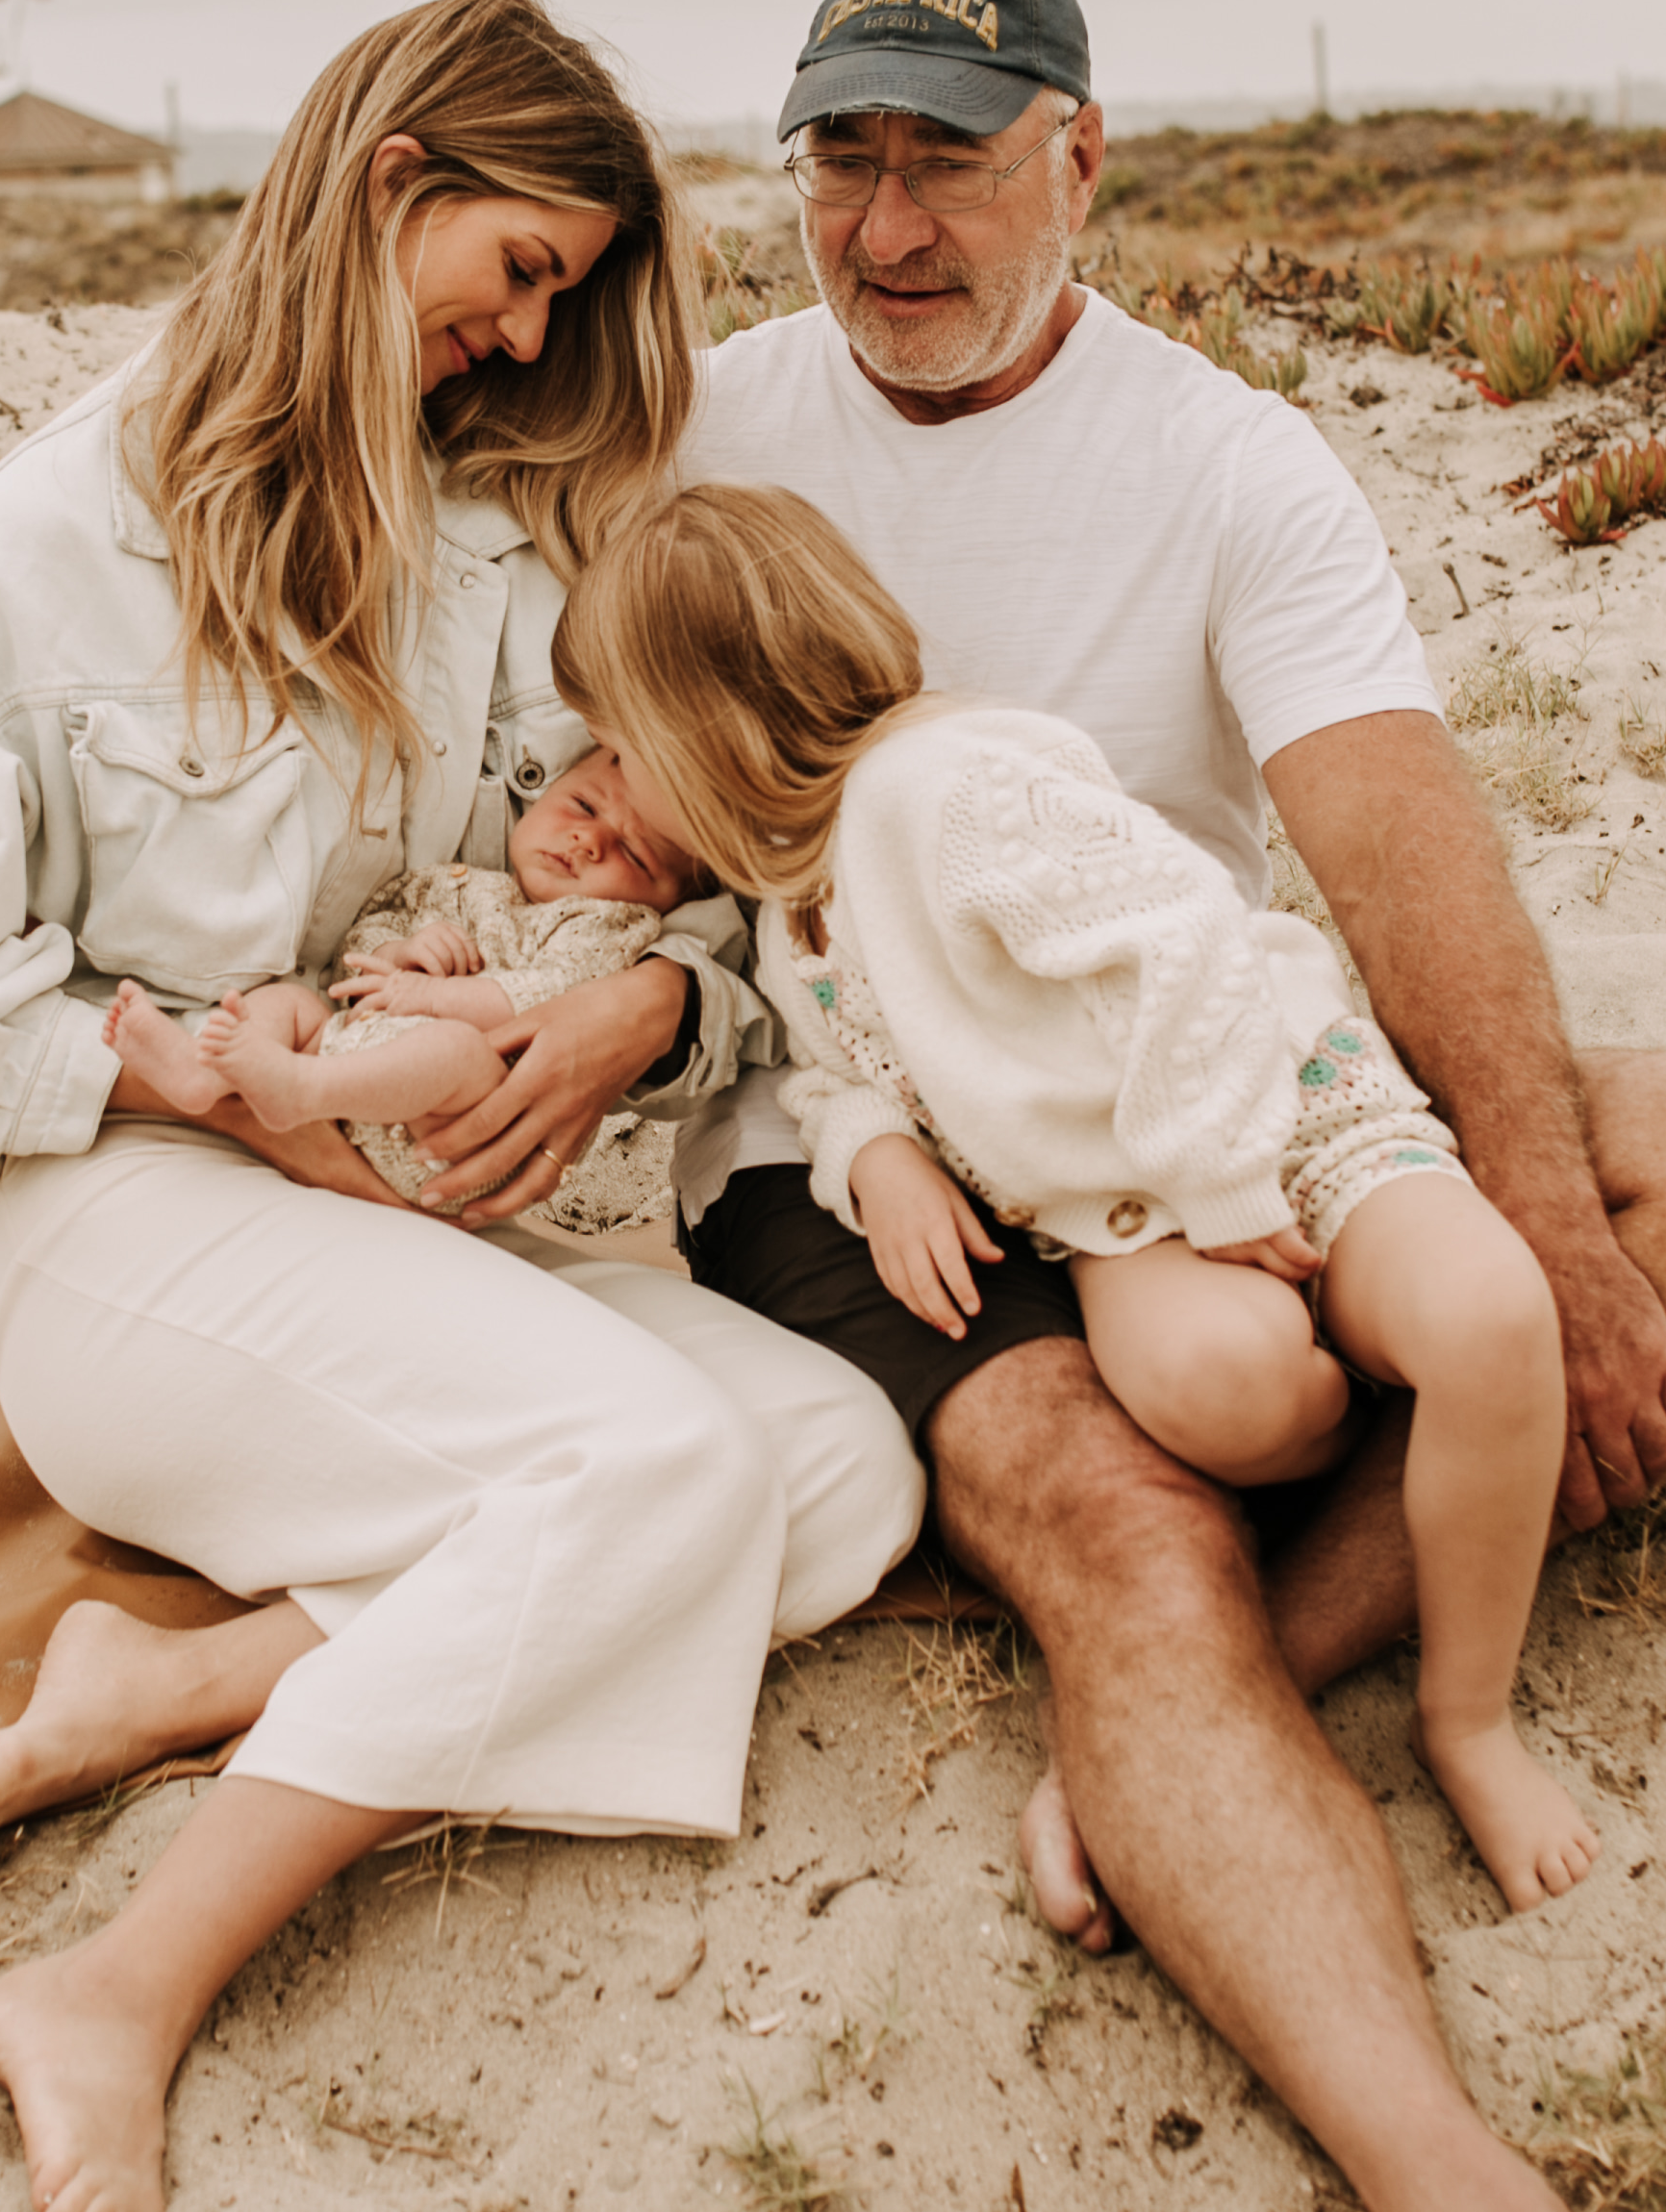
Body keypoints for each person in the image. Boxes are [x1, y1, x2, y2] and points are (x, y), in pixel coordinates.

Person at [471, 0, 1666, 2212]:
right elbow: (606, 814)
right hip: (862, 1160)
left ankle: (1210, 1723)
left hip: (1185, 1104)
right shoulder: (707, 426)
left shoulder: (1230, 464)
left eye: (951, 161)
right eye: (844, 160)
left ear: (1080, 163)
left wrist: (1540, 1215)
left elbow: (1385, 840)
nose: (890, 225)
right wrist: (662, 1013)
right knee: (1126, 1524)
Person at [0, 0, 923, 2212]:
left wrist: (636, 1011)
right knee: (660, 1480)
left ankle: (187, 1680)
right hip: (134, 1228)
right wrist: (162, 1062)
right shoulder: (40, 559)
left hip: (398, 1213)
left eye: (566, 301)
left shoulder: (499, 546)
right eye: (512, 270)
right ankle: (115, 1983)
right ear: (387, 183)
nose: (521, 341)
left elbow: (636, 871)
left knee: (840, 1467)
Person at [553, 483, 1597, 1917]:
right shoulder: (793, 899)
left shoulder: (946, 790)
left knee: (1488, 1314)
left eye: (624, 746)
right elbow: (836, 1063)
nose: (610, 782)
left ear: (706, 727)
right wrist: (877, 1155)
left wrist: (1228, 1179)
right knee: (1223, 1390)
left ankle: (1468, 1716)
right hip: (1116, 1210)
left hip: (1281, 1121)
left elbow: (1186, 946)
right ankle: (1380, 1423)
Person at [99, 739, 698, 1204]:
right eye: (584, 806)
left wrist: (431, 994)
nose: (588, 840)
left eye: (634, 853)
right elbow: (362, 947)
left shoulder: (613, 925)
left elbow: (547, 996)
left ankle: (296, 1091)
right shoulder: (464, 883)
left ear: (668, 899)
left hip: (461, 1129)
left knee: (459, 1048)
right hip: (361, 1067)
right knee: (291, 1004)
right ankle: (199, 1075)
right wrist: (399, 954)